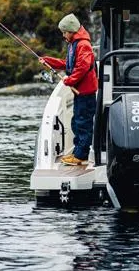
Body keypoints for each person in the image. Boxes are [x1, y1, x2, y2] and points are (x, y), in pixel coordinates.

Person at [39, 13, 99, 166]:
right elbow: (69, 64)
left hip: (85, 92)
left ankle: (81, 155)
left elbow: (82, 67)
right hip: (80, 92)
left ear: (71, 30)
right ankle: (78, 153)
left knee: (82, 123)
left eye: (64, 32)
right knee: (76, 122)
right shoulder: (74, 44)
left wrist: (70, 80)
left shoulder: (83, 45)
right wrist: (49, 61)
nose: (63, 35)